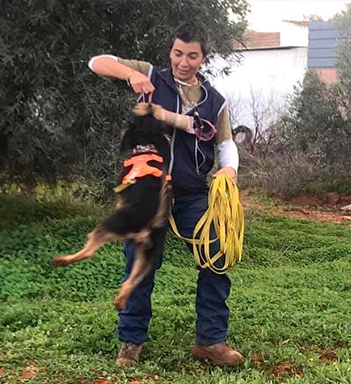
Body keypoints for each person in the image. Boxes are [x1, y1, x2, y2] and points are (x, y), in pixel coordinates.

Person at [88, 20, 243, 367]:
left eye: (192, 55)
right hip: (148, 192)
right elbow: (97, 62)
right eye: (177, 53)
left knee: (215, 256)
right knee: (140, 263)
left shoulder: (214, 101)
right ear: (170, 51)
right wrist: (129, 75)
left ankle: (211, 341)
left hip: (191, 194)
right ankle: (130, 343)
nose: (182, 62)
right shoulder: (151, 76)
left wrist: (229, 169)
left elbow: (226, 143)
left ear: (203, 57)